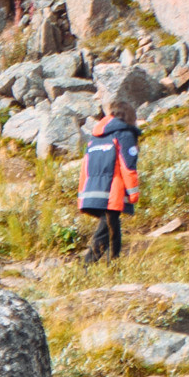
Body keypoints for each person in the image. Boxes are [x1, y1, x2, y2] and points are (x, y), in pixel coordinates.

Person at [77, 96, 140, 262]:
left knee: (112, 227)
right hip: (111, 191)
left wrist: (81, 195)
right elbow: (128, 166)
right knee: (106, 231)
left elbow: (85, 167)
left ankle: (114, 263)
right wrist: (133, 193)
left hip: (92, 191)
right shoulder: (125, 135)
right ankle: (88, 266)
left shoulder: (95, 137)